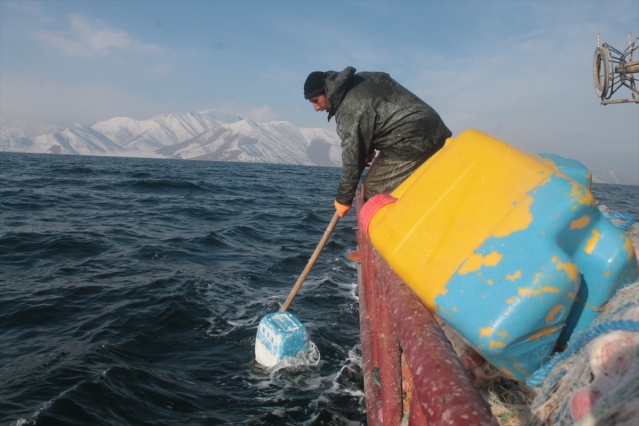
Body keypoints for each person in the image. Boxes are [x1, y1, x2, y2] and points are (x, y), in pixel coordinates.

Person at [304, 66, 452, 217]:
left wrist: (343, 200)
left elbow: (351, 160)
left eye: (315, 101)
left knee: (372, 190)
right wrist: (368, 145)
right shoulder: (364, 78)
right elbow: (381, 103)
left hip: (412, 139)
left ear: (327, 91)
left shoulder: (348, 110)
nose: (316, 108)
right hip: (435, 125)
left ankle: (399, 230)